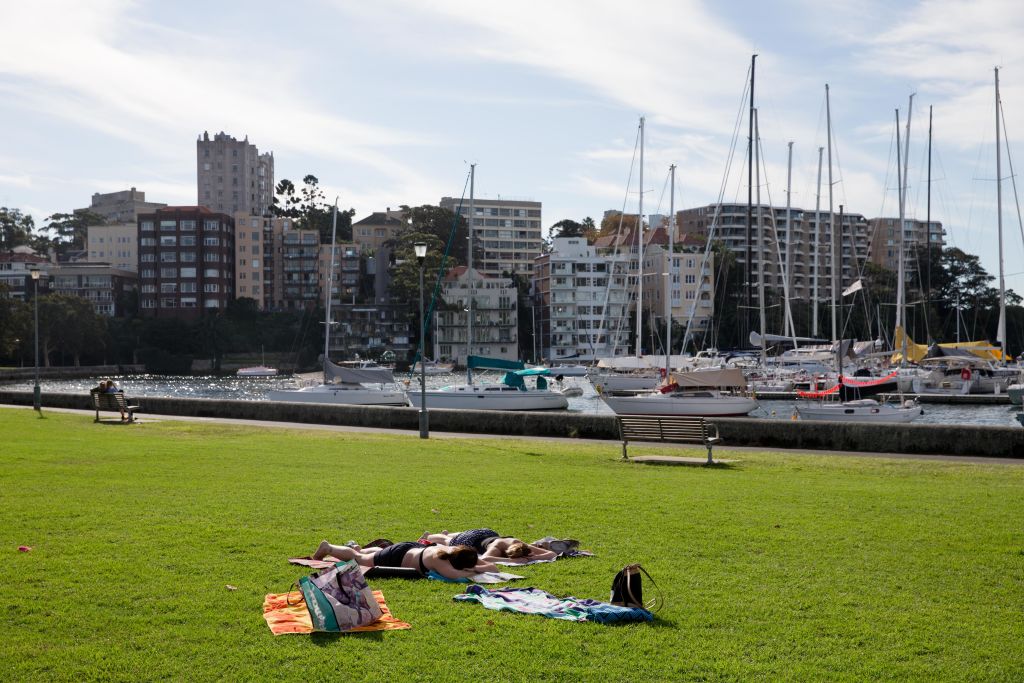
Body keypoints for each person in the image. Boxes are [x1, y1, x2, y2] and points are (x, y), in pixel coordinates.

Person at [312, 540, 497, 580]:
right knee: (360, 559)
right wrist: (478, 570)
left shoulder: (451, 551)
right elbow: (455, 575)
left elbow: (487, 564)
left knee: (368, 555)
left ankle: (356, 548)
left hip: (409, 549)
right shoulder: (441, 561)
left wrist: (485, 566)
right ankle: (329, 548)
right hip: (397, 557)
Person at [480, 538, 557, 564]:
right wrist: (511, 561)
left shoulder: (522, 546)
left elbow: (552, 554)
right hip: (474, 537)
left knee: (532, 547)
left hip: (494, 534)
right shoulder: (497, 547)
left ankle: (538, 545)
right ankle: (539, 545)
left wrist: (535, 557)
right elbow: (484, 558)